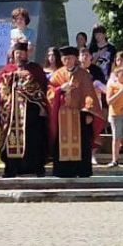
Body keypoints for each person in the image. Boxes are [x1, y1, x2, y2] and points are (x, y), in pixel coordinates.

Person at [0, 41, 49, 177]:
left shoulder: (35, 69)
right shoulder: (6, 70)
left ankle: (35, 168)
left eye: (22, 53)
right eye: (17, 53)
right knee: (12, 140)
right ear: (13, 54)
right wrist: (11, 79)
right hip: (11, 114)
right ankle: (12, 168)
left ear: (27, 54)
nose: (19, 56)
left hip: (31, 113)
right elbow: (0, 89)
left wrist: (42, 106)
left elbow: (42, 89)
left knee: (33, 139)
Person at [47, 46, 99, 177]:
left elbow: (89, 94)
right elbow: (49, 92)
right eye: (65, 58)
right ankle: (63, 171)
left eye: (70, 58)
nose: (67, 61)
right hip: (62, 115)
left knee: (82, 142)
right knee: (61, 142)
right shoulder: (58, 74)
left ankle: (82, 170)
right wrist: (60, 89)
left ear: (75, 59)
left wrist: (88, 112)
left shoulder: (83, 74)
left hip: (79, 114)